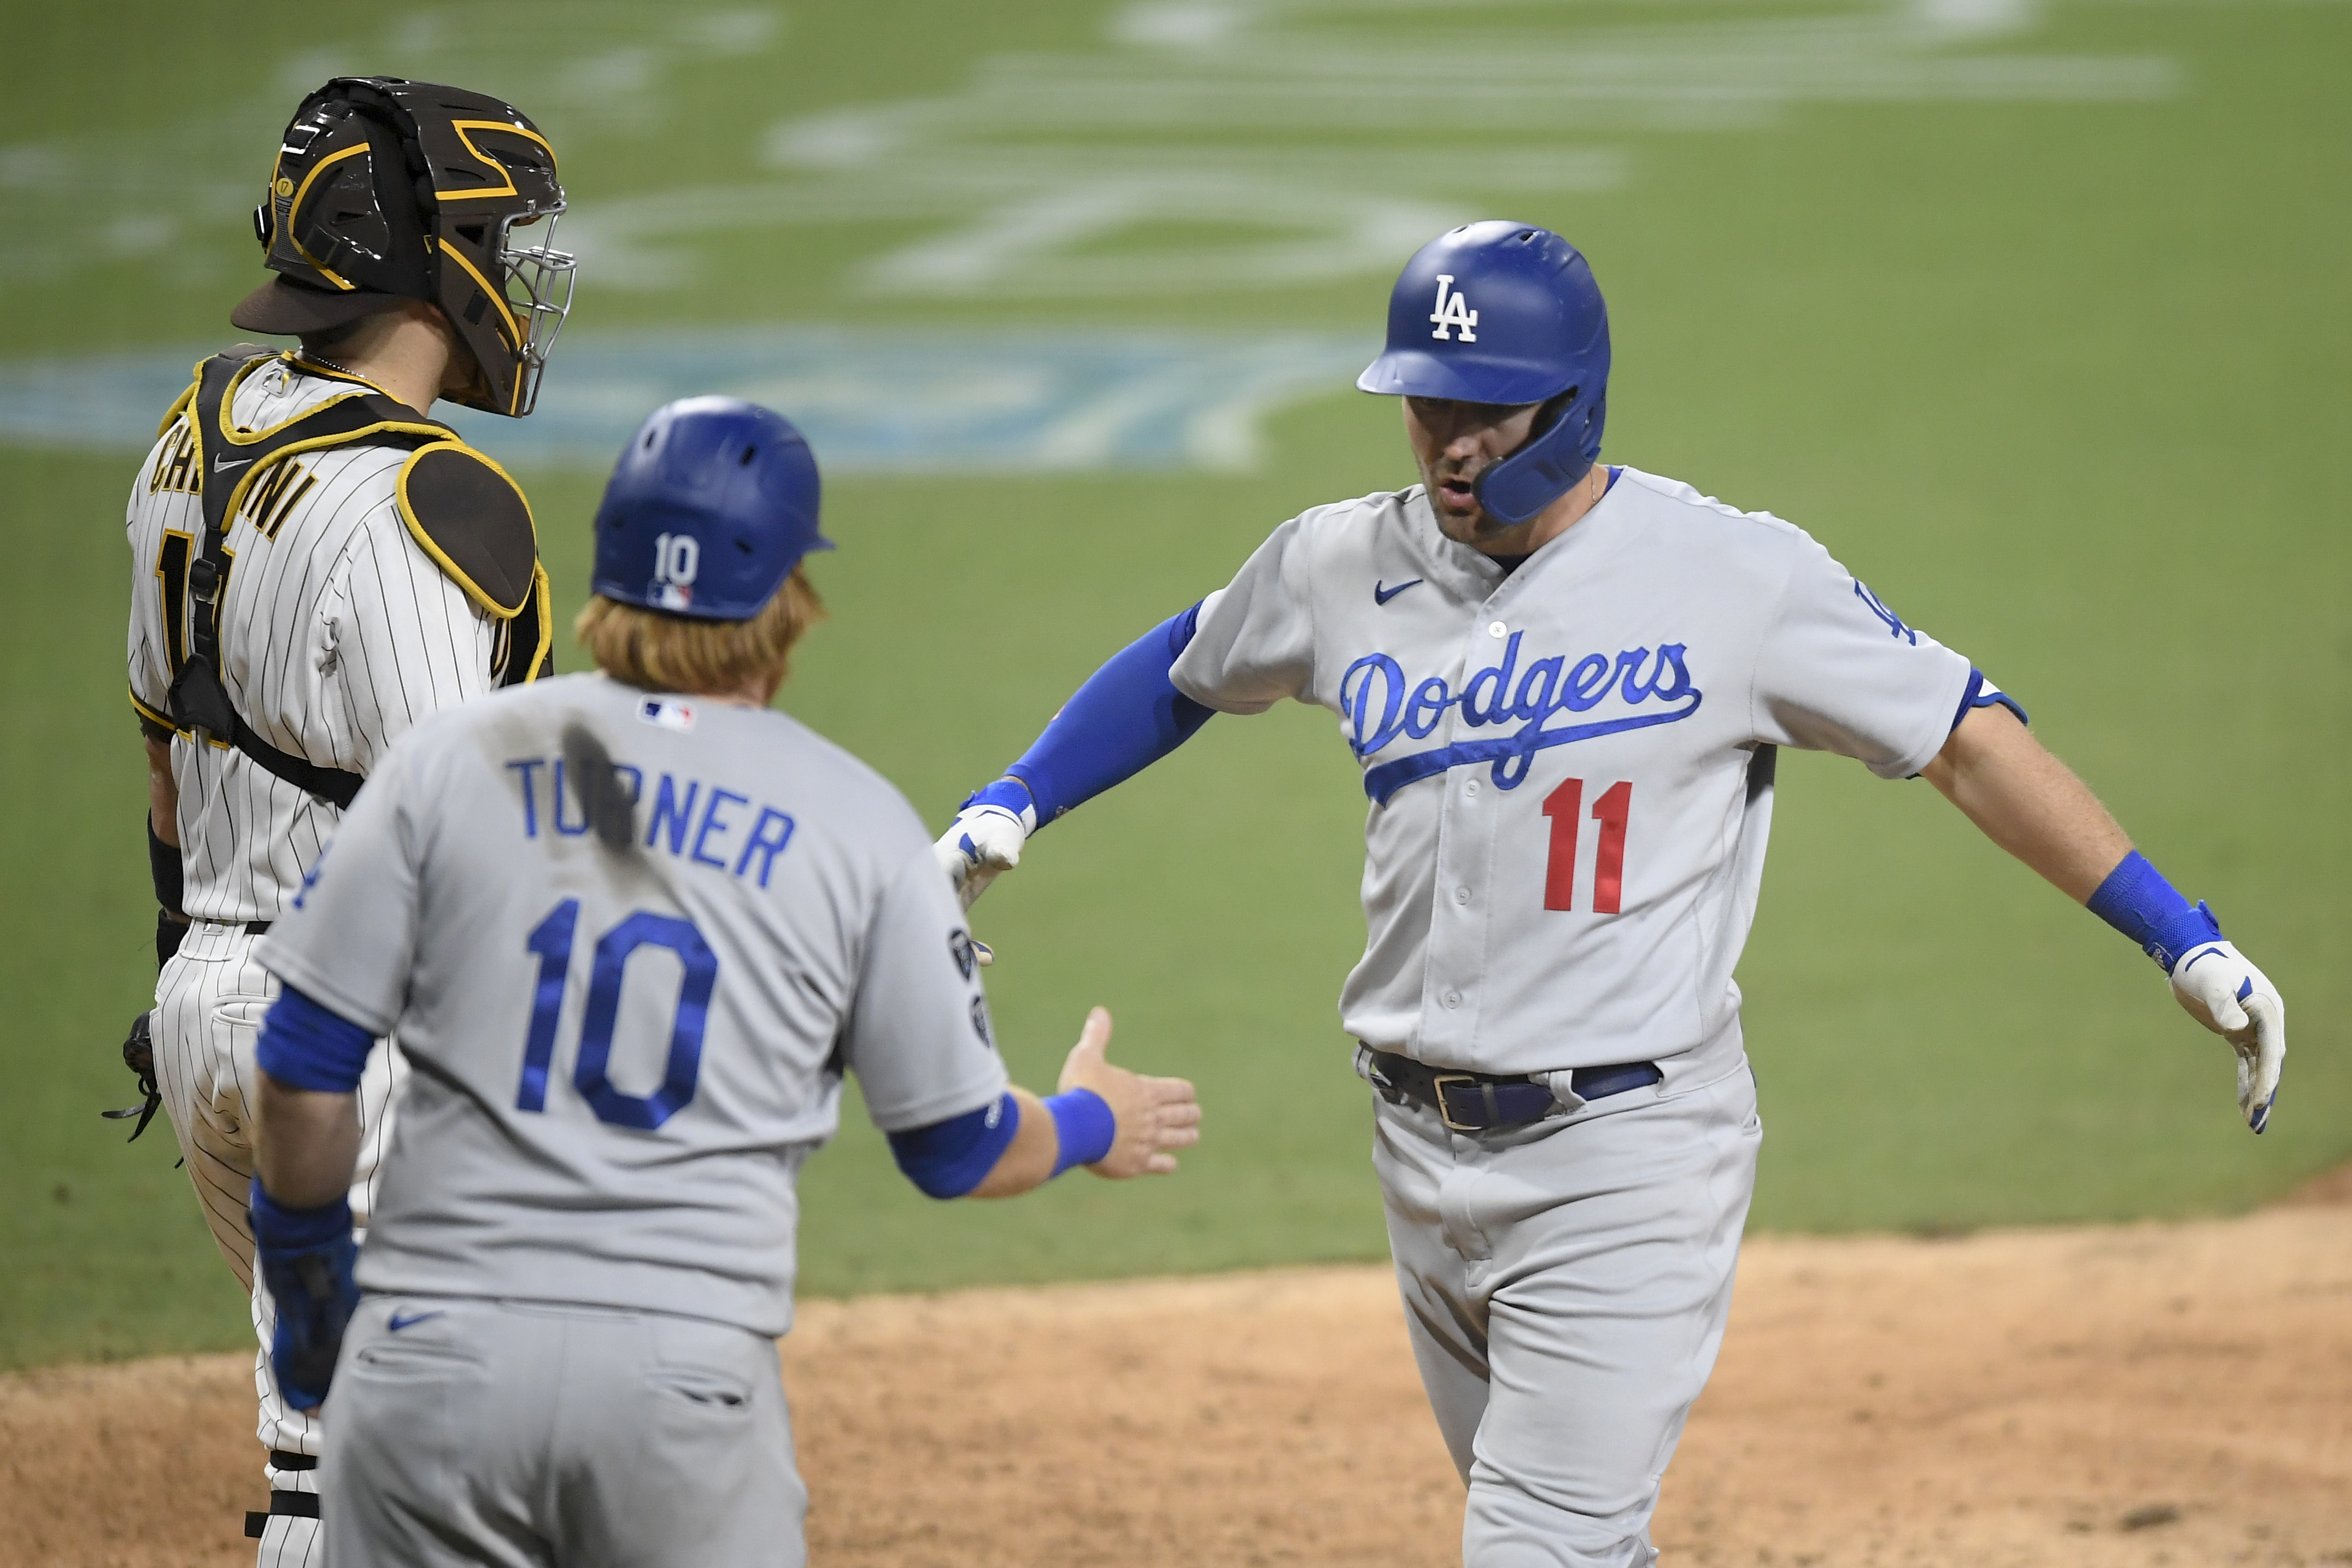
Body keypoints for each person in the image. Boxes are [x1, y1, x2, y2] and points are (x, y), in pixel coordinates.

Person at [931, 220, 2287, 1567]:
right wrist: (1011, 800)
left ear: (1571, 405)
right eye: (1426, 407)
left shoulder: (1733, 579)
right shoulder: (1337, 563)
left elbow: (1964, 737)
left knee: (1533, 1550)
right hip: (1414, 1150)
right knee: (1575, 1543)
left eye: (1487, 413)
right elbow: (1185, 664)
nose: (1449, 442)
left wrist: (2182, 937)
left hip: (1624, 1161)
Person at [243, 395, 1203, 1567]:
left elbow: (300, 1067)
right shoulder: (856, 823)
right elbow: (961, 1150)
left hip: (429, 1361)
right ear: (788, 600)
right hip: (676, 1394)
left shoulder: (447, 762)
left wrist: (308, 1300)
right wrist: (1095, 1114)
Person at [120, 75, 575, 1561]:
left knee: (329, 1445)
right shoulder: (434, 503)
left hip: (205, 1022)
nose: (513, 278)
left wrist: (181, 955)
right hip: (358, 1043)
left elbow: (165, 757)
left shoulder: (192, 436)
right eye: (495, 243)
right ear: (425, 259)